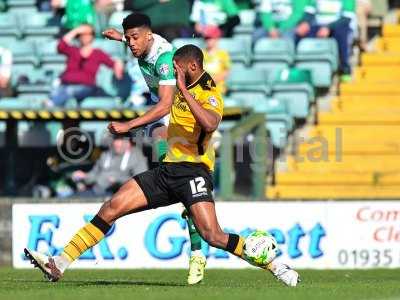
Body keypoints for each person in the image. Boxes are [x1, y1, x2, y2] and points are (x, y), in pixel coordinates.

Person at [24, 44, 300, 287]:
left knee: (213, 235)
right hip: (168, 170)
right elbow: (155, 59)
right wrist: (124, 40)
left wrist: (183, 91)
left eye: (178, 69)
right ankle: (59, 262)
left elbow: (211, 123)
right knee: (111, 208)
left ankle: (276, 266)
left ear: (193, 66)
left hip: (194, 171)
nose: (173, 73)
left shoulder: (207, 90)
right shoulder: (178, 86)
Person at [102, 12, 208, 284]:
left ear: (148, 35)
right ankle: (195, 241)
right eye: (128, 39)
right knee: (176, 179)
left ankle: (197, 254)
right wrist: (120, 40)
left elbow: (164, 105)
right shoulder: (140, 43)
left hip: (178, 115)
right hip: (164, 116)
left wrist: (129, 126)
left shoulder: (163, 59)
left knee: (178, 178)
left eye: (134, 38)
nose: (131, 43)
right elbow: (136, 40)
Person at [49, 24, 124, 107]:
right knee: (58, 90)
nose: (85, 36)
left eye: (89, 34)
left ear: (92, 36)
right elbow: (60, 46)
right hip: (66, 85)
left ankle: (51, 105)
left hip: (86, 87)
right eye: (82, 34)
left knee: (68, 91)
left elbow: (113, 64)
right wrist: (76, 30)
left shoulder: (97, 53)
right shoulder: (73, 50)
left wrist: (118, 65)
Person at [71, 136, 149, 197]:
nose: (117, 143)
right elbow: (94, 175)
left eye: (121, 139)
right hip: (97, 192)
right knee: (72, 197)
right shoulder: (106, 155)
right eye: (116, 139)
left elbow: (141, 180)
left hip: (121, 194)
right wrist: (84, 176)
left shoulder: (136, 156)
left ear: (129, 142)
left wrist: (118, 180)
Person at [302, 0, 356, 82]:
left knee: (341, 34)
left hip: (339, 25)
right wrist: (305, 23)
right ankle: (305, 68)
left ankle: (345, 69)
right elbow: (310, 12)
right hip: (318, 25)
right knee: (304, 34)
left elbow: (346, 18)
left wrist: (328, 27)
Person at [202, 26, 231, 95]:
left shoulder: (223, 54)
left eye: (210, 38)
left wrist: (212, 80)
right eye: (206, 38)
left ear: (217, 39)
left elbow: (226, 72)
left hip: (219, 89)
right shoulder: (201, 53)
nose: (208, 41)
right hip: (203, 90)